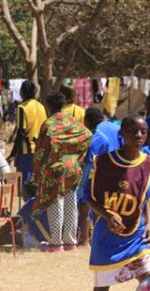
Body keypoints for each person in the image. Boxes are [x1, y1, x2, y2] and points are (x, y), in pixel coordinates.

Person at [70, 114, 150, 291]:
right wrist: (108, 215)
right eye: (132, 131)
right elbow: (89, 197)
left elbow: (145, 196)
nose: (138, 136)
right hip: (108, 238)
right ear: (122, 135)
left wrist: (149, 224)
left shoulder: (149, 164)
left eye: (142, 131)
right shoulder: (105, 163)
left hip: (136, 234)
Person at [31, 91, 91, 252]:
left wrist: (36, 173)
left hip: (55, 169)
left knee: (55, 203)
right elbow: (87, 135)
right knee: (71, 203)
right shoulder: (72, 121)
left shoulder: (49, 124)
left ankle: (56, 243)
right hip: (73, 167)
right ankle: (70, 241)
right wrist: (77, 155)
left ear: (49, 106)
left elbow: (41, 150)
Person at [78, 107, 122, 247]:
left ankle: (85, 240)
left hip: (89, 174)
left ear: (88, 121)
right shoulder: (104, 138)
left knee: (84, 206)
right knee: (98, 207)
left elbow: (89, 160)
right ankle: (97, 238)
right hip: (103, 175)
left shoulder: (90, 138)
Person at [9, 80, 47, 185]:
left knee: (25, 186)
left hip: (26, 152)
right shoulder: (41, 107)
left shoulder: (22, 108)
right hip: (40, 150)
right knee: (36, 185)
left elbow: (21, 132)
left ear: (22, 92)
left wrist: (12, 154)